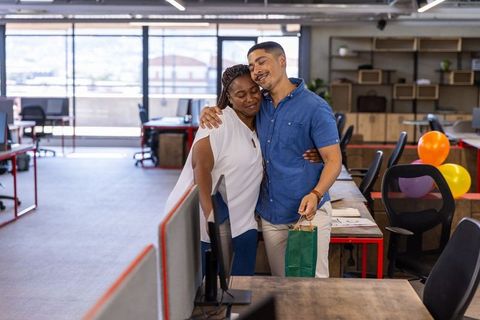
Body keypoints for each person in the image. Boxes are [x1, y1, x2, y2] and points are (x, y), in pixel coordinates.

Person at [200, 41, 342, 278]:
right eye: (252, 65)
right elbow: (232, 111)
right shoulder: (258, 104)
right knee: (282, 286)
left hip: (308, 214)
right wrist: (210, 110)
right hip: (271, 215)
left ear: (282, 61)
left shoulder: (315, 107)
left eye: (261, 61)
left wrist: (316, 193)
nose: (256, 70)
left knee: (311, 288)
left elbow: (334, 161)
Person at [164, 64, 263, 275]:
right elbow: (201, 168)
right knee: (206, 299)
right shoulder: (218, 122)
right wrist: (212, 220)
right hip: (209, 228)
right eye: (241, 94)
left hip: (243, 224)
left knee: (240, 293)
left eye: (254, 90)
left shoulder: (262, 122)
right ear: (229, 96)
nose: (250, 98)